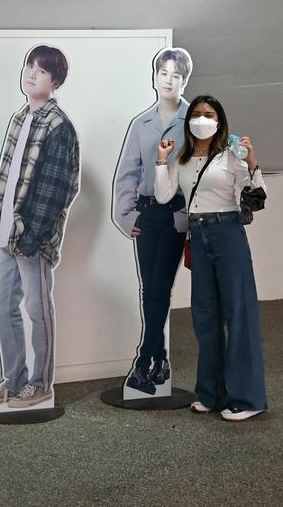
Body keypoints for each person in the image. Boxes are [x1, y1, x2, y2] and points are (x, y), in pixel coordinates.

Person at [0, 45, 81, 409]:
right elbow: (5, 184)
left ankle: (41, 384)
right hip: (6, 233)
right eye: (29, 66)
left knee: (37, 309)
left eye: (41, 70)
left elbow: (59, 189)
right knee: (2, 305)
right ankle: (14, 380)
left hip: (31, 239)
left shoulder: (59, 125)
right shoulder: (20, 118)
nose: (31, 73)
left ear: (55, 81)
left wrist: (32, 237)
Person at [153, 95, 268, 421]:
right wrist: (162, 159)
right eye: (198, 113)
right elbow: (163, 195)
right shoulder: (184, 159)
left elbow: (256, 198)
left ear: (219, 122)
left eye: (209, 114)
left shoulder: (230, 155)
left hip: (227, 231)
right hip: (198, 235)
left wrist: (252, 162)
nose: (202, 118)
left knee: (238, 312)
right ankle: (211, 393)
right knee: (205, 317)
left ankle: (248, 398)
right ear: (189, 120)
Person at [112, 47, 192, 395]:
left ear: (184, 80)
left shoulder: (193, 120)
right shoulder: (141, 124)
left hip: (175, 215)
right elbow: (128, 174)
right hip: (146, 215)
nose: (169, 80)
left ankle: (143, 362)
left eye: (176, 75)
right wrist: (126, 216)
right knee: (151, 290)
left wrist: (188, 218)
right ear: (155, 77)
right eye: (164, 73)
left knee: (160, 288)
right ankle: (159, 358)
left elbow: (197, 173)